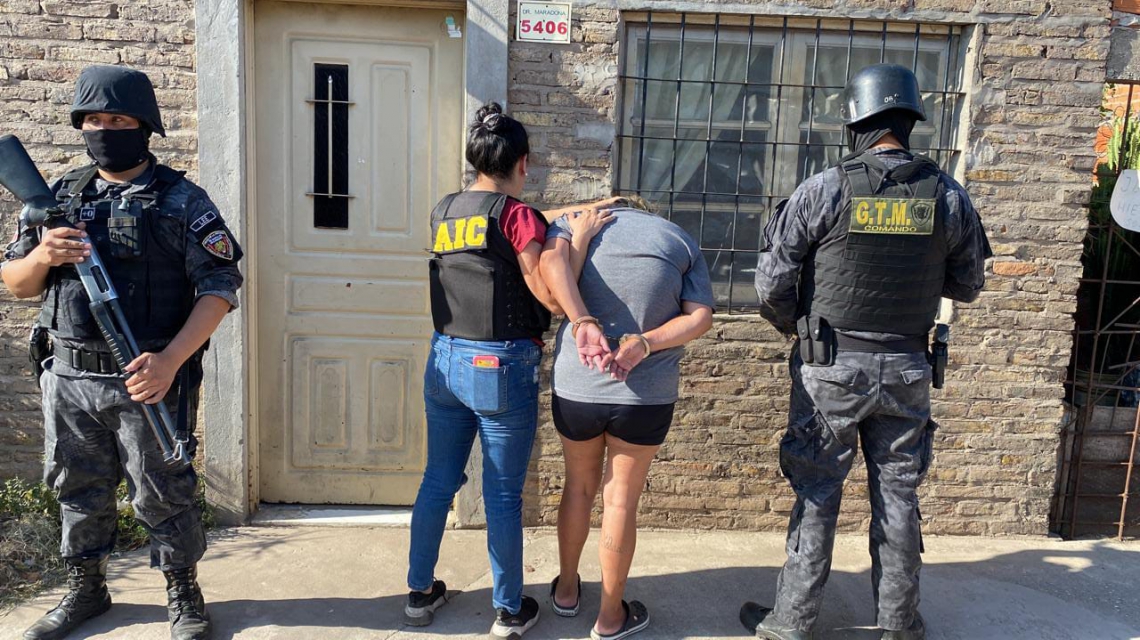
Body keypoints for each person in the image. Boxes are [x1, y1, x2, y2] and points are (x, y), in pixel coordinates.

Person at [739, 64, 992, 640]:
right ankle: (899, 625)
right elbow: (968, 283)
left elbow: (771, 286)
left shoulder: (824, 189)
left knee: (817, 490)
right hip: (907, 367)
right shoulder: (948, 195)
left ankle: (791, 623)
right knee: (899, 492)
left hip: (830, 369)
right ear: (909, 122)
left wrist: (799, 331)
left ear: (855, 122)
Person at [1, 66, 243, 640]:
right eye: (93, 120)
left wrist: (171, 361)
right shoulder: (58, 198)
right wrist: (43, 257)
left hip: (146, 378)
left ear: (145, 125)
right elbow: (16, 283)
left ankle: (182, 591)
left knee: (163, 490)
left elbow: (220, 288)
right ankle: (87, 589)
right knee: (76, 488)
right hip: (68, 377)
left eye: (118, 119)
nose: (104, 130)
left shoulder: (182, 200)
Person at [404, 102, 620, 639]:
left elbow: (508, 223)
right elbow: (548, 295)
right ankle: (507, 610)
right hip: (497, 365)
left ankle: (419, 592)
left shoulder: (445, 210)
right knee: (502, 493)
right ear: (524, 163)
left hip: (444, 358)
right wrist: (577, 241)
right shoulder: (517, 217)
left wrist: (580, 208)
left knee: (438, 479)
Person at [539, 198, 715, 640]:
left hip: (578, 388)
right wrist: (647, 343)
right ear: (647, 211)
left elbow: (549, 276)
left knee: (577, 487)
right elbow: (700, 317)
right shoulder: (678, 238)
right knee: (620, 502)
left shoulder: (574, 224)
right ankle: (609, 617)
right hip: (645, 396)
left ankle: (566, 591)